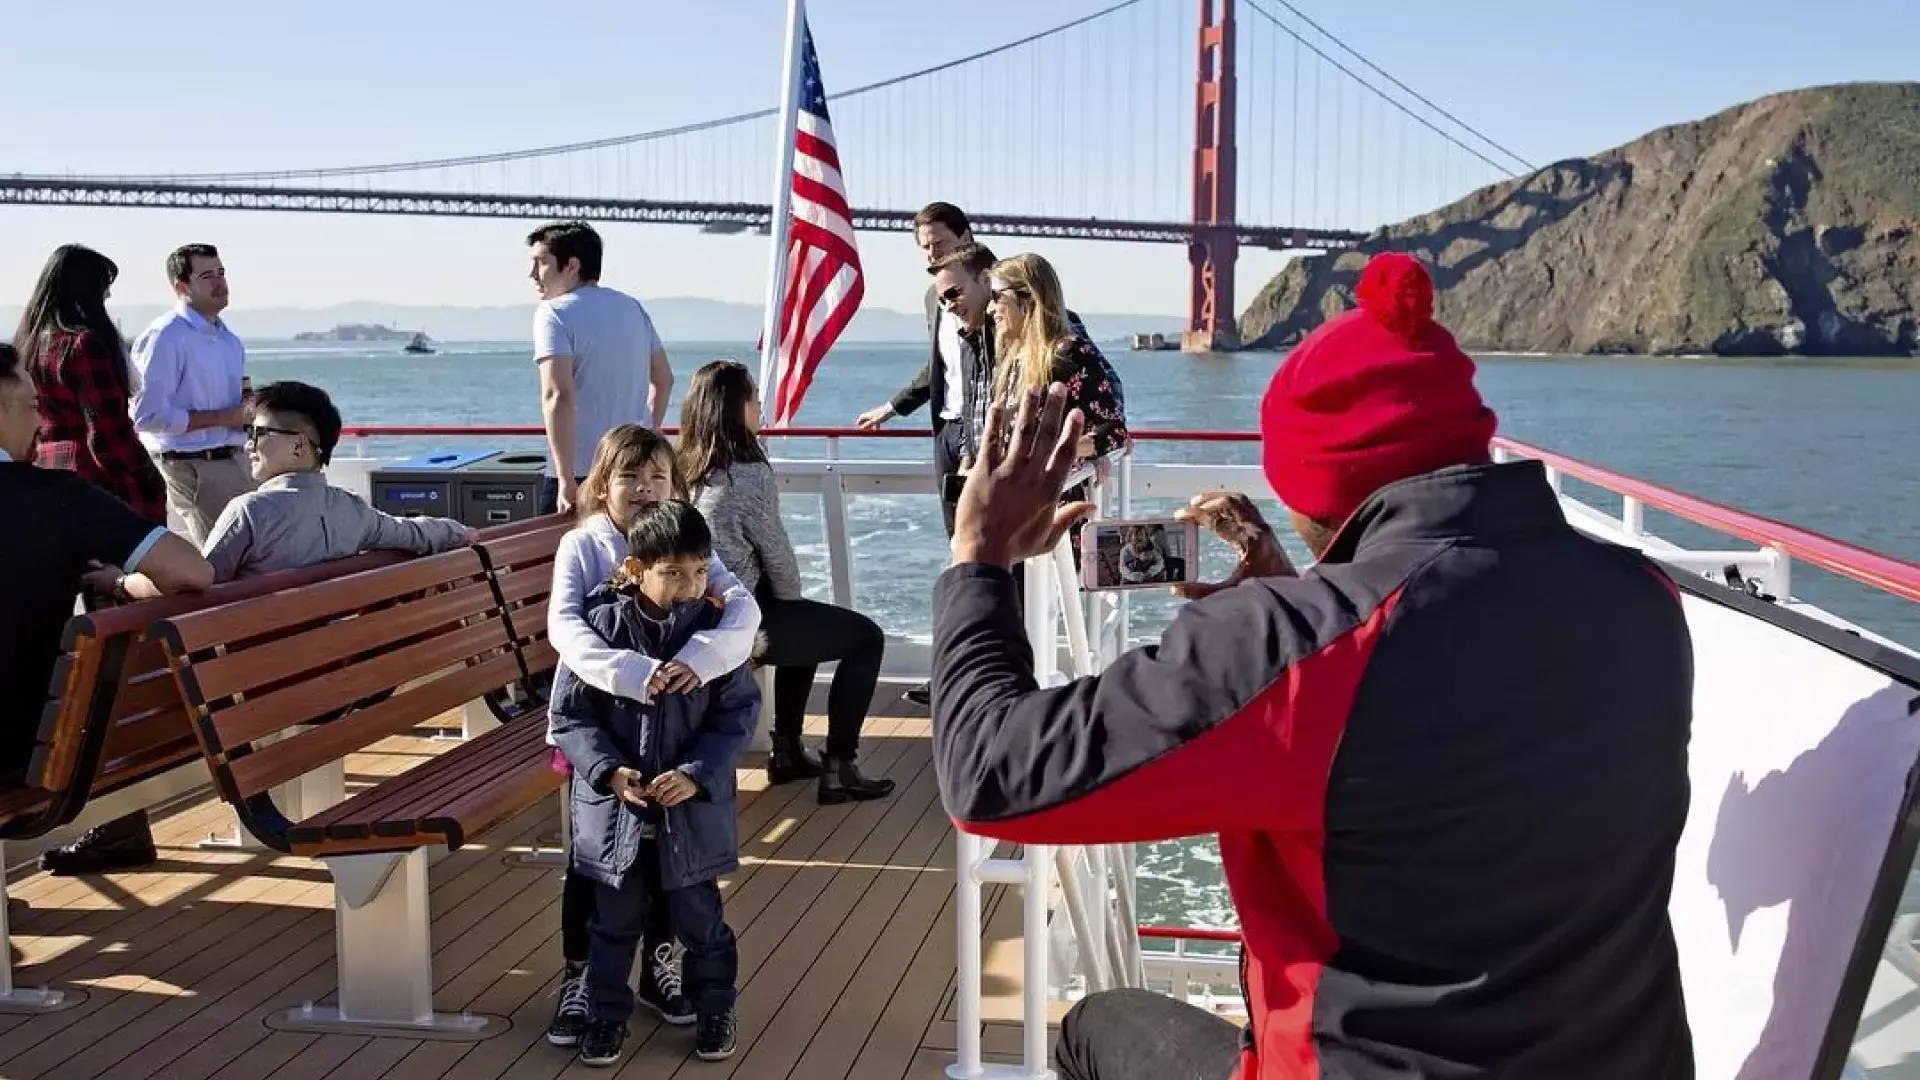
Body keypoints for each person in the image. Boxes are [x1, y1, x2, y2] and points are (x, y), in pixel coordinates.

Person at [930, 253, 1695, 1079]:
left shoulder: (1294, 647)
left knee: (1094, 1028)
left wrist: (982, 556)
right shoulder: (1644, 601)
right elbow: (1430, 697)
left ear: (1312, 492)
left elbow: (991, 774)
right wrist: (1288, 599)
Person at [544, 423, 760, 1049]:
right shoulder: (586, 553)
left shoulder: (690, 546)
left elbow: (738, 617)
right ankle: (590, 995)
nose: (643, 488)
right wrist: (631, 677)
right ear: (602, 483)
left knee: (691, 901)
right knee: (602, 891)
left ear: (678, 485)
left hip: (685, 779)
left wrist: (709, 655)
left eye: (658, 476)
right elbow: (567, 638)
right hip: (610, 755)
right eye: (629, 476)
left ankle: (675, 981)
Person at [12, 244, 177, 874]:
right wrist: (149, 500)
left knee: (64, 665)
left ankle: (104, 820)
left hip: (47, 509)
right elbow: (109, 437)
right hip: (102, 507)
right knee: (115, 673)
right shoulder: (86, 344)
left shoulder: (29, 348)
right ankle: (121, 824)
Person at [0, 343, 214, 794]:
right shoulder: (60, 499)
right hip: (17, 756)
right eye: (33, 406)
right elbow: (191, 573)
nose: (40, 424)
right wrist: (118, 582)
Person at [679, 360, 894, 804]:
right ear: (734, 409)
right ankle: (841, 767)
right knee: (865, 638)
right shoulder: (747, 473)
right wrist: (790, 599)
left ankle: (790, 751)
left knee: (805, 626)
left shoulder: (686, 471)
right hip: (738, 623)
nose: (760, 407)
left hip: (697, 614)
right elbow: (777, 557)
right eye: (754, 399)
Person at [199, 381, 471, 581]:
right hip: (336, 649)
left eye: (257, 433)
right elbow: (412, 533)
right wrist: (460, 532)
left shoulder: (248, 512)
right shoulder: (352, 510)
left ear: (298, 445)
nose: (248, 445)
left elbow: (201, 585)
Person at [527, 221, 674, 516]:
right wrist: (647, 433)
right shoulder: (632, 307)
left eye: (541, 262)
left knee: (562, 558)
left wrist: (566, 481)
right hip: (634, 469)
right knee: (633, 559)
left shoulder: (553, 313)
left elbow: (558, 396)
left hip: (582, 471)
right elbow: (664, 379)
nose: (532, 274)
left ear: (571, 265)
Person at [129, 243, 255, 544]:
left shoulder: (229, 340)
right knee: (223, 568)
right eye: (207, 276)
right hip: (194, 465)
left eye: (221, 273)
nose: (220, 282)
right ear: (181, 286)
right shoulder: (166, 336)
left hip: (237, 460)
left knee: (254, 558)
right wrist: (225, 417)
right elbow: (147, 417)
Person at [983, 252, 1127, 470]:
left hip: (1053, 497)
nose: (990, 309)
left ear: (1028, 297)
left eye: (996, 297)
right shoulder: (1015, 359)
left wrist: (1054, 454)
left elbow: (1113, 431)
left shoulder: (1069, 353)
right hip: (1013, 496)